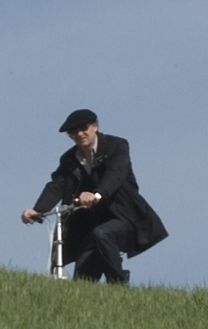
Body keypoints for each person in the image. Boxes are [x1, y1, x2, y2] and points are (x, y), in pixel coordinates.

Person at [21, 109, 167, 284]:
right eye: (74, 132)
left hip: (126, 217)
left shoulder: (116, 146)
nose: (79, 134)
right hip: (91, 225)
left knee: (103, 234)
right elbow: (57, 185)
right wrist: (38, 210)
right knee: (83, 282)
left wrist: (97, 194)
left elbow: (116, 174)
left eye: (83, 128)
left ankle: (119, 284)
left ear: (95, 127)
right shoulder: (69, 159)